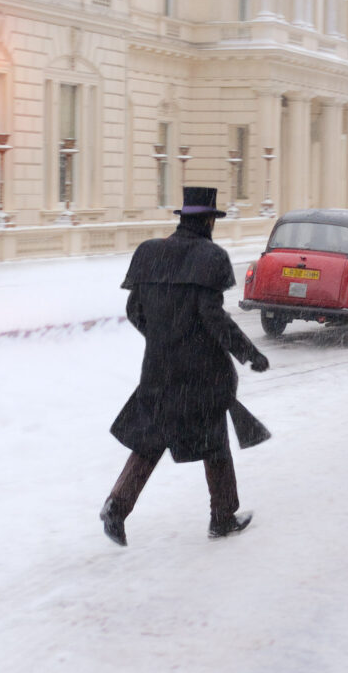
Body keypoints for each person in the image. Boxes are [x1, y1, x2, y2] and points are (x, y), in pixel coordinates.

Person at [100, 185, 271, 546]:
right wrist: (249, 353)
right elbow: (214, 318)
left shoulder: (151, 253)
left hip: (158, 369)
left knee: (150, 441)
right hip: (200, 375)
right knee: (215, 444)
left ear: (184, 218)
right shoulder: (210, 258)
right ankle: (222, 517)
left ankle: (117, 505)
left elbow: (134, 311)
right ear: (209, 220)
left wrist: (162, 337)